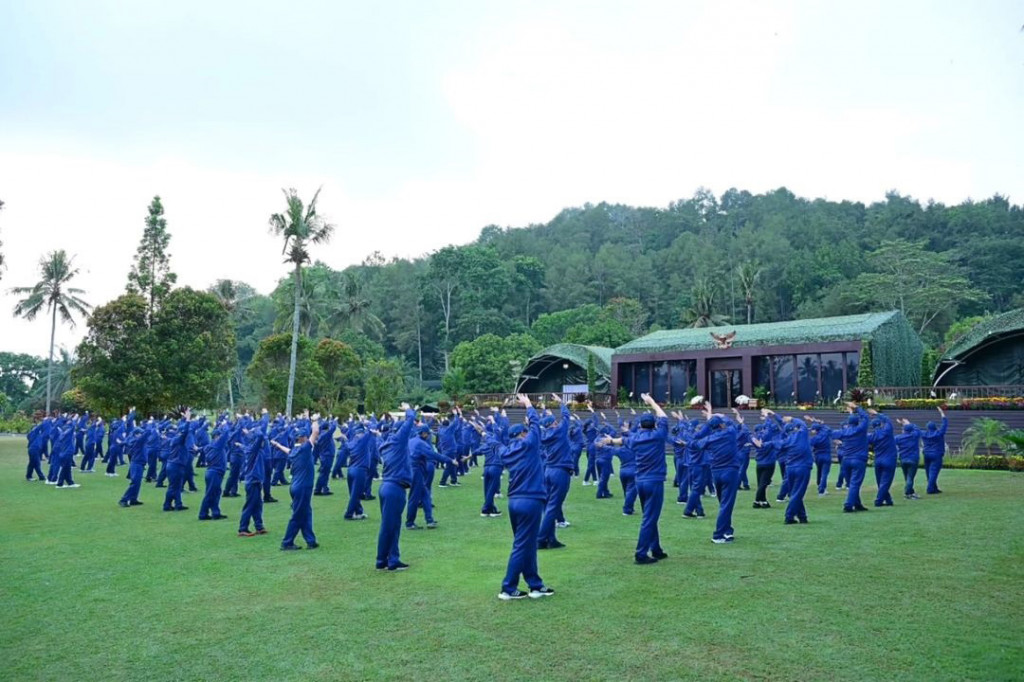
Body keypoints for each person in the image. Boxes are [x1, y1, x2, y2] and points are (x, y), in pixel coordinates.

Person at [600, 393, 670, 563]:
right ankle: (641, 554)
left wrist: (610, 441)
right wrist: (651, 401)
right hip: (654, 481)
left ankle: (656, 549)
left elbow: (622, 440)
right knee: (650, 518)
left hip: (640, 481)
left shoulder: (635, 438)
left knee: (649, 515)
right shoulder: (659, 435)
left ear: (640, 425)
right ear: (654, 425)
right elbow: (663, 416)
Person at [498, 395, 554, 600]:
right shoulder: (530, 444)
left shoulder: (506, 451)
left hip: (514, 501)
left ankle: (535, 584)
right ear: (522, 434)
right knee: (522, 545)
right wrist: (529, 405)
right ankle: (508, 587)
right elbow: (536, 424)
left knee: (527, 544)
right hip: (530, 500)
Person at [375, 404, 415, 571]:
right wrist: (408, 408)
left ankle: (389, 559)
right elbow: (410, 419)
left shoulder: (385, 445)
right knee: (390, 526)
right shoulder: (398, 442)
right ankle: (385, 560)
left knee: (390, 525)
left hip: (386, 486)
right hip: (394, 488)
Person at [273, 416, 320, 550]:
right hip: (303, 488)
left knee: (306, 513)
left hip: (295, 487)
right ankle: (287, 542)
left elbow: (286, 450)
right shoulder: (305, 449)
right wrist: (315, 420)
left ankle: (311, 541)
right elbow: (316, 432)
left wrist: (277, 445)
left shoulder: (294, 451)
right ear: (303, 438)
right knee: (298, 516)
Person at [538, 394, 574, 550]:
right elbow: (566, 416)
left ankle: (551, 539)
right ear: (553, 424)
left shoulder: (544, 435)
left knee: (549, 506)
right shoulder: (559, 431)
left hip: (549, 470)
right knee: (554, 506)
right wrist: (561, 403)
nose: (557, 422)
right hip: (560, 471)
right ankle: (540, 539)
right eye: (555, 421)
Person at [833, 403, 870, 512]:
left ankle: (857, 504)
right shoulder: (861, 429)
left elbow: (831, 433)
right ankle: (848, 505)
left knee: (852, 483)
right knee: (855, 483)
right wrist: (857, 408)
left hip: (846, 460)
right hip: (858, 459)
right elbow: (866, 417)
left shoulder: (844, 431)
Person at [238, 411, 270, 537]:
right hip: (253, 480)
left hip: (255, 480)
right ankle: (243, 528)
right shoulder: (254, 450)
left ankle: (259, 526)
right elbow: (260, 435)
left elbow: (258, 437)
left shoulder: (250, 448)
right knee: (250, 505)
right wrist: (264, 417)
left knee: (258, 504)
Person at [198, 421, 230, 521]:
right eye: (219, 436)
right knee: (210, 494)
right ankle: (203, 514)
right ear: (216, 437)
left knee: (216, 493)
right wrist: (225, 424)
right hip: (215, 472)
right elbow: (226, 433)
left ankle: (216, 513)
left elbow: (201, 449)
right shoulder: (218, 445)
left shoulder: (209, 446)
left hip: (212, 472)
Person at [868, 412, 897, 507]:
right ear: (881, 424)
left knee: (880, 482)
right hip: (889, 459)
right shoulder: (887, 431)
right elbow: (888, 420)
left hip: (878, 460)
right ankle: (879, 500)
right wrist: (877, 413)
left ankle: (888, 500)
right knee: (886, 482)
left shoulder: (871, 436)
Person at [921, 407, 948, 494]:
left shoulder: (924, 434)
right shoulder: (939, 433)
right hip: (936, 454)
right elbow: (944, 425)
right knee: (934, 472)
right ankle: (930, 489)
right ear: (935, 427)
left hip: (926, 454)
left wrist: (905, 423)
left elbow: (914, 429)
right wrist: (942, 414)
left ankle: (934, 488)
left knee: (928, 472)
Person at [895, 418, 922, 500]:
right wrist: (908, 423)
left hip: (903, 459)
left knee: (907, 477)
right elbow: (917, 429)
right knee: (910, 477)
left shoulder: (898, 438)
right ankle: (907, 493)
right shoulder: (914, 436)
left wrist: (904, 424)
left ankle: (911, 492)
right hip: (913, 459)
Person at [808, 418, 833, 496]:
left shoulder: (814, 439)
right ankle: (822, 490)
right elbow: (827, 428)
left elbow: (809, 446)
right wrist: (819, 423)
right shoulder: (825, 434)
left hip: (818, 456)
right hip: (826, 455)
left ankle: (819, 485)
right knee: (824, 473)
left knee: (819, 471)